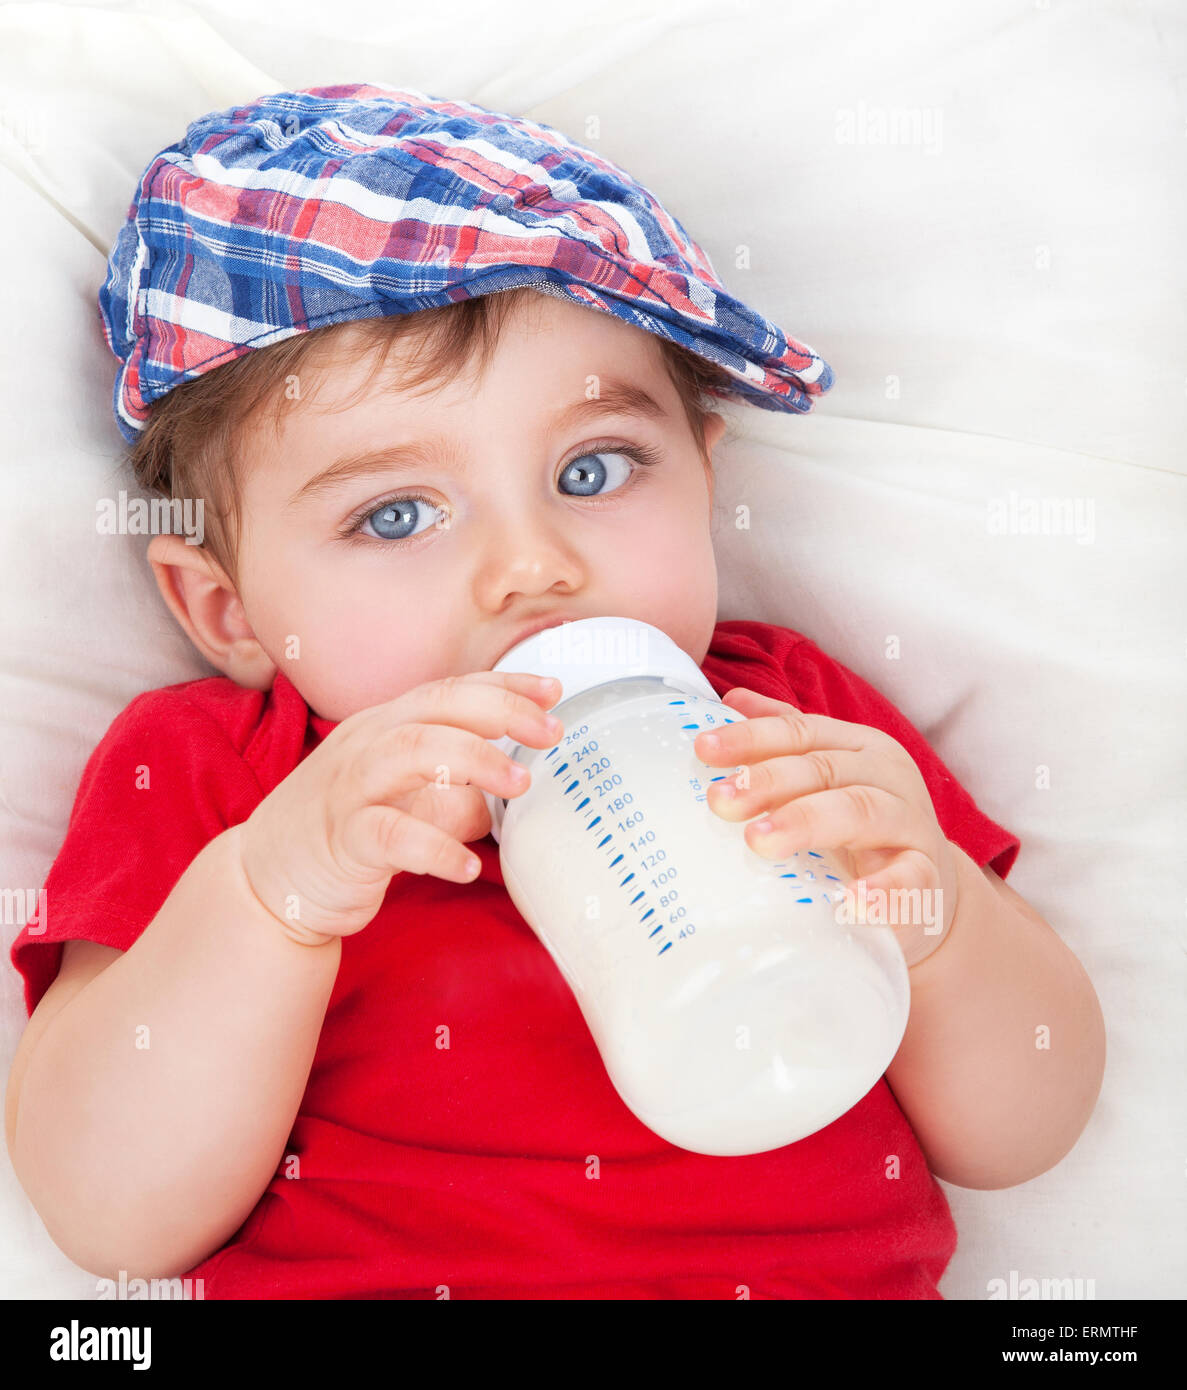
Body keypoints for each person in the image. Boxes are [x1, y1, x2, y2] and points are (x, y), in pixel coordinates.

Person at [5, 83, 1104, 1299]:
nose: (532, 565)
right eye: (395, 514)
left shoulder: (787, 722)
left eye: (594, 468)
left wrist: (931, 911)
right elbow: (106, 1215)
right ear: (230, 612)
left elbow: (1020, 1135)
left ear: (700, 474)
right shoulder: (226, 773)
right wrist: (276, 900)